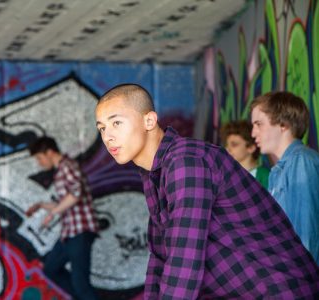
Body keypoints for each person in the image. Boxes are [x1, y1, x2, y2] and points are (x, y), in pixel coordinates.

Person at [95, 84, 319, 299]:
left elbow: (185, 257)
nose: (108, 136)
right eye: (102, 128)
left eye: (116, 123)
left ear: (149, 120)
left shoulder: (187, 161)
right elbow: (161, 259)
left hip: (281, 291)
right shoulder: (154, 173)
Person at [25, 136, 98, 300]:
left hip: (80, 232)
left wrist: (53, 213)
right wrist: (42, 205)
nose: (39, 163)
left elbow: (76, 194)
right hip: (69, 233)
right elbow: (66, 202)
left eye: (39, 158)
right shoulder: (61, 170)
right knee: (51, 269)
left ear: (49, 152)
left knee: (81, 285)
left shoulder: (68, 166)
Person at [251, 91, 319, 263]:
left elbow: (306, 235)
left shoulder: (301, 161)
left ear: (283, 124)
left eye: (259, 124)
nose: (253, 133)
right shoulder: (278, 171)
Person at [220, 120, 270, 188]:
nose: (227, 149)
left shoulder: (265, 176)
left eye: (234, 145)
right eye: (227, 145)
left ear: (251, 148)